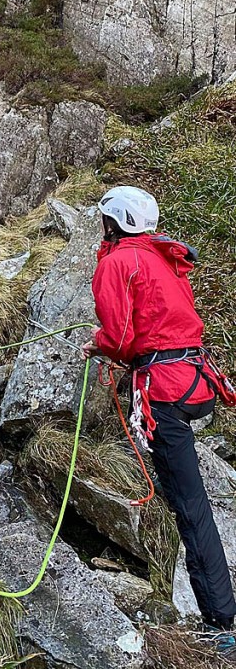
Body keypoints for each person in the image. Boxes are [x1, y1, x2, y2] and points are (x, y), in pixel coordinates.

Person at [83, 185, 236, 659]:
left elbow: (121, 335)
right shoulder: (161, 256)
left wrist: (99, 345)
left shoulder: (116, 262)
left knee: (191, 508)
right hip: (195, 381)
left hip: (163, 392)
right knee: (187, 500)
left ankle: (221, 621)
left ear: (114, 223)